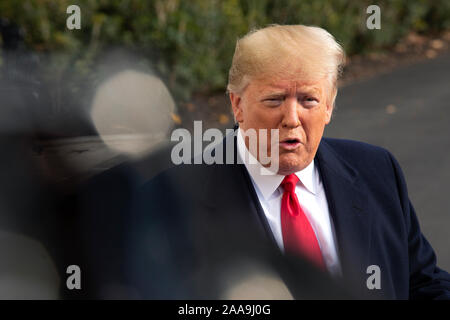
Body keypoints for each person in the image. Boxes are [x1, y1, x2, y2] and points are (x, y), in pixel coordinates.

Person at [128, 24, 450, 299]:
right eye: (275, 99)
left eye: (308, 99)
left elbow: (424, 284)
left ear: (329, 105)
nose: (291, 119)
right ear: (237, 105)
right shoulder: (174, 201)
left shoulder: (377, 171)